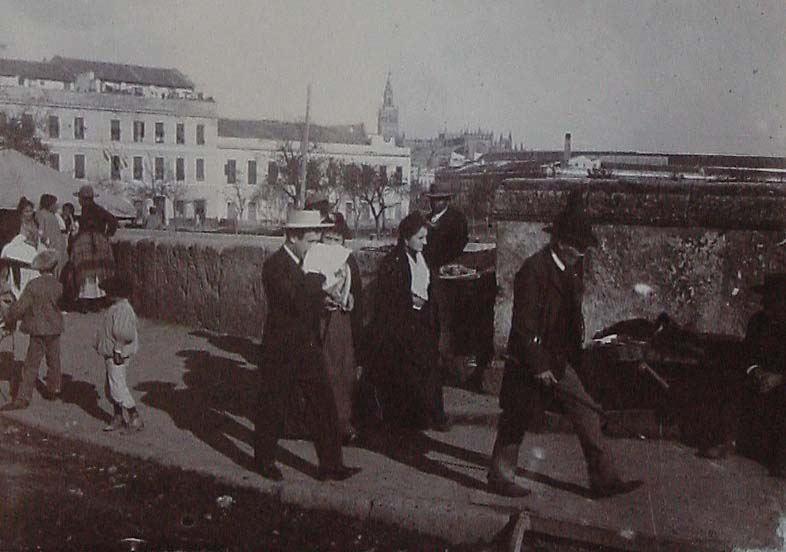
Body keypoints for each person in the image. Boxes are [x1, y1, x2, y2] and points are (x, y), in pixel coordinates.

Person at [488, 196, 643, 498]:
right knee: (515, 418)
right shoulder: (533, 271)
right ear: (560, 243)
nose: (582, 253)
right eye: (578, 247)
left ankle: (603, 479)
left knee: (587, 413)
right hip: (530, 360)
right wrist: (539, 366)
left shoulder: (572, 270)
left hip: (560, 359)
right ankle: (500, 475)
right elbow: (523, 328)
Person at [253, 209, 360, 482]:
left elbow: (308, 300)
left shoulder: (305, 264)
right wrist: (320, 278)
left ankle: (331, 464)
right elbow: (295, 300)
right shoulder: (275, 266)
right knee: (273, 406)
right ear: (292, 237)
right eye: (311, 241)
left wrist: (328, 300)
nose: (315, 247)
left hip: (307, 344)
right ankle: (264, 460)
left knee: (324, 405)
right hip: (281, 348)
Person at [363, 211, 450, 431]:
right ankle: (405, 422)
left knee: (426, 371)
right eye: (420, 238)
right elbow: (388, 296)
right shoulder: (393, 262)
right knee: (405, 375)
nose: (425, 242)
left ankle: (426, 416)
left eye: (425, 237)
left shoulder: (423, 259)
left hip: (422, 323)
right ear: (406, 237)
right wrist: (409, 300)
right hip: (402, 326)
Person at [698, 274, 786, 477]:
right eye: (767, 301)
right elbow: (747, 356)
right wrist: (756, 371)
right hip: (759, 379)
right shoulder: (757, 323)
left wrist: (779, 379)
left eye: (775, 301)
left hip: (781, 384)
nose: (767, 307)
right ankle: (729, 442)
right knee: (733, 383)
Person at [315, 212, 362, 443]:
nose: (332, 245)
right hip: (322, 320)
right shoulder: (314, 259)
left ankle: (343, 418)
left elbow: (355, 288)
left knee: (344, 369)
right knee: (326, 368)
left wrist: (350, 296)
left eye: (337, 240)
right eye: (328, 239)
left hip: (342, 319)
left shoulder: (348, 259)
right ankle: (327, 421)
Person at [0, 250, 63, 411]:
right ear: (53, 267)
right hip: (54, 329)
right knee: (54, 360)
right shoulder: (58, 285)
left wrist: (9, 317)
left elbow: (20, 308)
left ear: (39, 269)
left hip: (38, 329)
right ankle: (54, 388)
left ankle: (23, 398)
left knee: (31, 364)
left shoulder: (33, 286)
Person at [94, 275, 143, 433]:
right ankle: (118, 416)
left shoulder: (122, 309)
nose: (106, 295)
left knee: (117, 386)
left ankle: (134, 416)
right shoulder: (117, 307)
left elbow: (123, 333)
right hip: (112, 353)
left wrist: (118, 349)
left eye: (109, 292)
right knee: (111, 385)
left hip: (117, 353)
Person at [70, 185, 118, 312]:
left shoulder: (86, 210)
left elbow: (112, 221)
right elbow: (113, 221)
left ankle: (87, 301)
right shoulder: (99, 210)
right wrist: (107, 235)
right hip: (98, 242)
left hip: (86, 242)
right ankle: (96, 301)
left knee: (85, 271)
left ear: (83, 199)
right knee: (97, 271)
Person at [36, 194, 68, 279]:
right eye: (54, 203)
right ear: (49, 204)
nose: (56, 206)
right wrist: (48, 243)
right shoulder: (43, 215)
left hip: (57, 247)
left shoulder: (51, 215)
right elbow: (41, 232)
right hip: (52, 248)